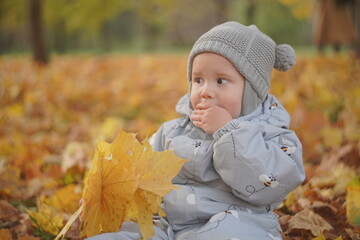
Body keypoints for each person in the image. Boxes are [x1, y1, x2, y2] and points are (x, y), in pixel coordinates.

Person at [87, 21, 305, 240]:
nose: (205, 91)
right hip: (167, 225)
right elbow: (136, 172)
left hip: (236, 223)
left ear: (251, 92)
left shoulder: (273, 136)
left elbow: (268, 184)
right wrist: (106, 193)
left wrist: (228, 132)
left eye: (221, 81)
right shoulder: (172, 131)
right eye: (198, 80)